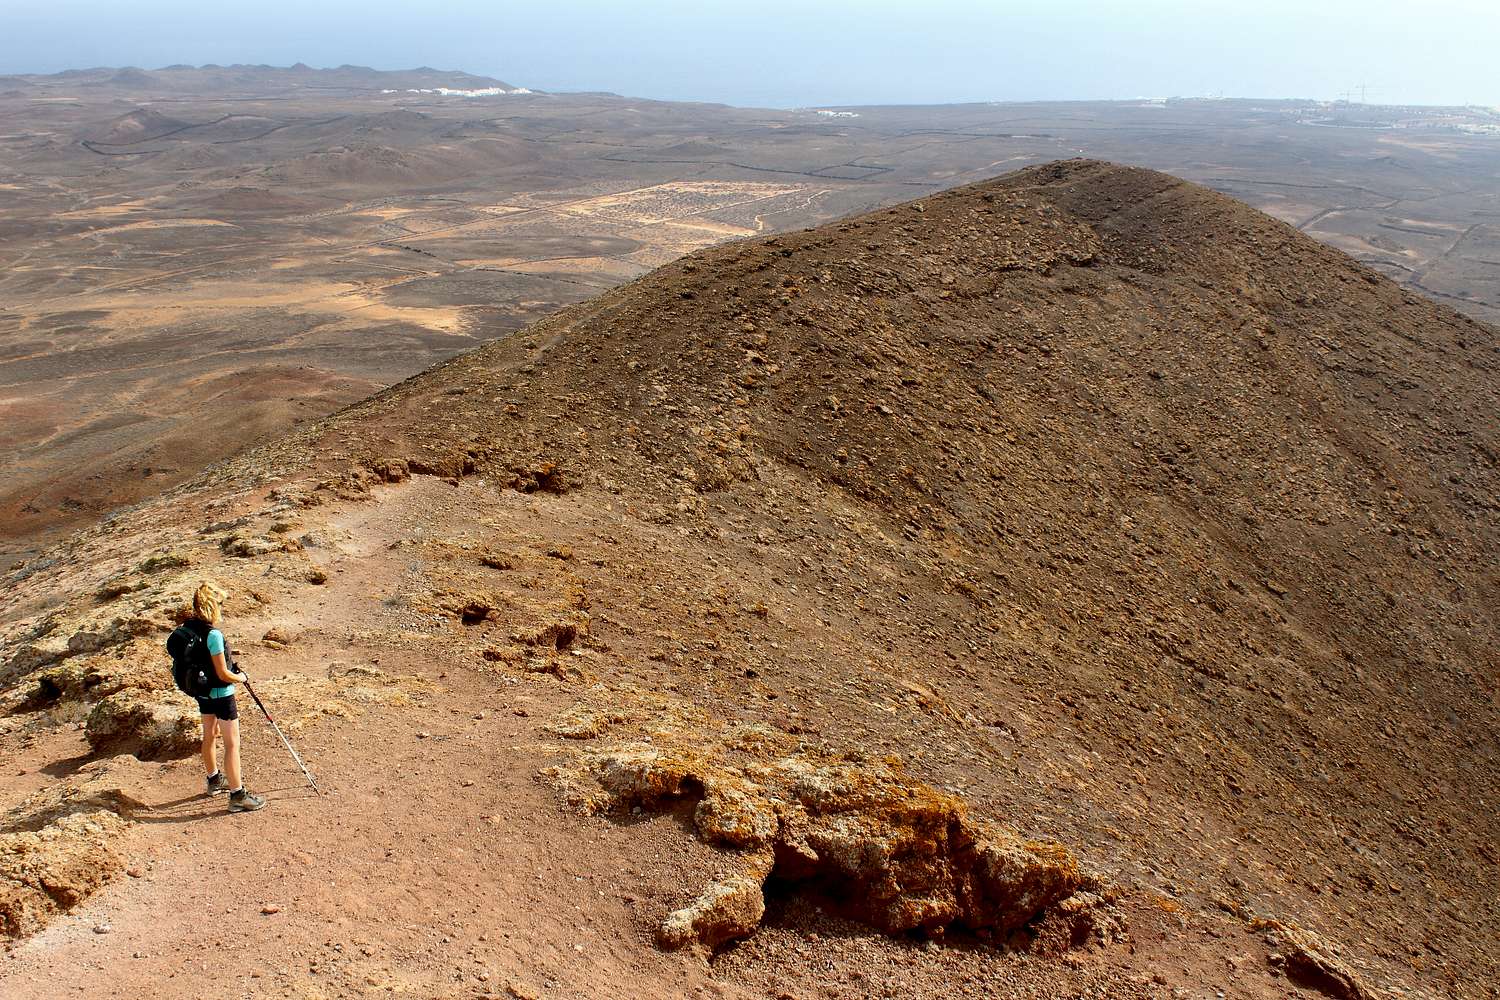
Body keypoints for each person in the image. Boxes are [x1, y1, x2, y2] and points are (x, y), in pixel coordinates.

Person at [187, 582, 266, 813]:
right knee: (232, 744)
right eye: (220, 603)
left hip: (202, 692)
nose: (223, 608)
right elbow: (223, 673)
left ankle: (213, 780)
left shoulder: (190, 628)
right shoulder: (213, 635)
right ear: (213, 606)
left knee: (209, 735)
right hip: (222, 695)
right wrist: (241, 677)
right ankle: (237, 795)